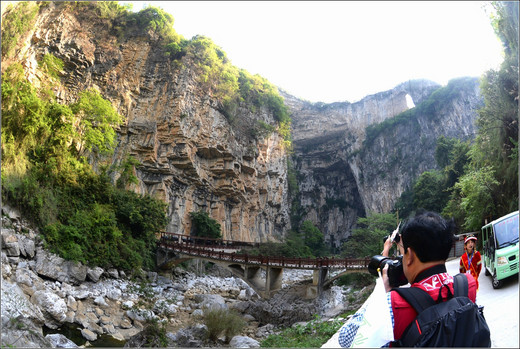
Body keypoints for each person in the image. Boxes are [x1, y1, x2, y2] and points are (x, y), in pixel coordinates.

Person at [381, 211, 477, 344]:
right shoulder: (467, 284)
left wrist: (383, 291)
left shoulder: (391, 305)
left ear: (409, 255)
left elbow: (346, 339)